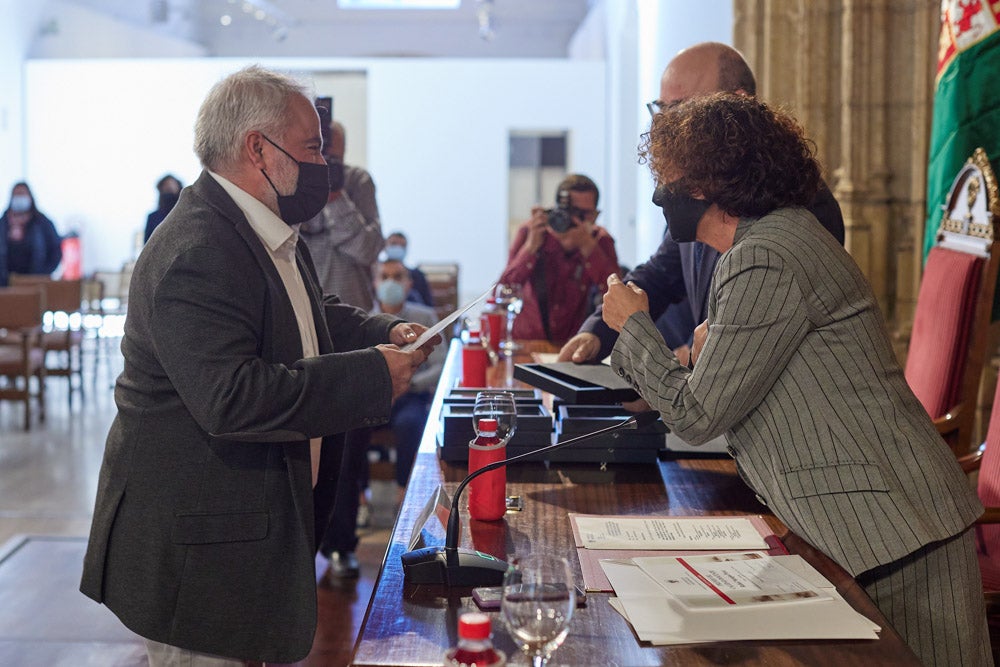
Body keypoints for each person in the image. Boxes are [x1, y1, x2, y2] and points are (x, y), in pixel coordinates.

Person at [603, 92, 988, 666]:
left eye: (669, 176)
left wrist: (634, 325)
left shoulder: (766, 255)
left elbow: (696, 415)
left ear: (709, 182)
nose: (661, 194)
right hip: (864, 525)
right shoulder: (770, 241)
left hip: (896, 529)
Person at [79, 65, 438, 666]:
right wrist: (375, 375)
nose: (324, 164)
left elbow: (304, 316)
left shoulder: (256, 226)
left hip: (240, 535)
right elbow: (234, 398)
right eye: (312, 148)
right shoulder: (197, 249)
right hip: (197, 558)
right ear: (258, 150)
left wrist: (386, 332)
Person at [558, 42, 844, 366]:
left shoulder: (798, 200)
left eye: (681, 108)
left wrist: (677, 356)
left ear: (738, 104)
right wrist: (597, 332)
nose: (665, 127)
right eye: (661, 110)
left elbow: (739, 359)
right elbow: (662, 274)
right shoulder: (697, 191)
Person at [317, 258, 445, 579]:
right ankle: (350, 515)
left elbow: (440, 366)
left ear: (409, 282)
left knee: (412, 425)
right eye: (384, 276)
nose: (390, 282)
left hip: (409, 397)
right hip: (373, 392)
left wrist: (407, 382)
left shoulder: (424, 316)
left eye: (397, 276)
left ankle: (408, 495)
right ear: (374, 281)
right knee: (348, 428)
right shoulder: (360, 314)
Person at [499, 173, 620, 344]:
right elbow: (504, 291)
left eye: (583, 214)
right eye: (570, 212)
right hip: (526, 343)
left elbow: (617, 296)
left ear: (595, 215)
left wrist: (588, 247)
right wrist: (531, 247)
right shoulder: (532, 232)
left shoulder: (600, 241)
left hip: (574, 344)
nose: (575, 220)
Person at [300, 114, 383, 310]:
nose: (323, 163)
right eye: (315, 151)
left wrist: (335, 196)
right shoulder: (293, 181)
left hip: (353, 307)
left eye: (332, 158)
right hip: (306, 307)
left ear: (344, 151)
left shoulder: (357, 181)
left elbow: (368, 250)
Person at [0, 182, 62, 287]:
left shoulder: (42, 222)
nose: (19, 198)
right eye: (16, 195)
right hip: (6, 285)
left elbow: (55, 250)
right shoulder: (3, 223)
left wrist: (43, 274)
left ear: (30, 197)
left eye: (22, 194)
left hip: (36, 283)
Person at [384, 230, 434, 307]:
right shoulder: (374, 272)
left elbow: (428, 306)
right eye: (393, 244)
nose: (398, 248)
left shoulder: (417, 275)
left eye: (402, 245)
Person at [143, 174, 183, 243]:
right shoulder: (153, 217)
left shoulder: (185, 214)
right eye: (166, 185)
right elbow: (147, 244)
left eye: (172, 184)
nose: (169, 186)